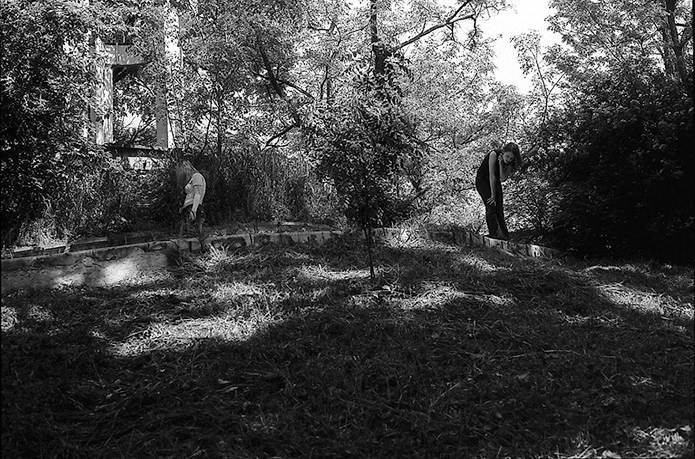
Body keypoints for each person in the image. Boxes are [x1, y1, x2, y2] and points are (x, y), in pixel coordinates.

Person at [475, 141, 521, 240]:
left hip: (495, 181)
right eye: (507, 156)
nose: (508, 159)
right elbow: (491, 176)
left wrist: (500, 164)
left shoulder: (510, 162)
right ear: (503, 152)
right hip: (483, 180)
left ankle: (505, 236)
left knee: (499, 207)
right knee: (491, 204)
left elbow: (503, 178)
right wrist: (493, 195)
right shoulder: (494, 154)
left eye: (511, 158)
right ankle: (494, 234)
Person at [176, 160, 207, 238]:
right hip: (188, 208)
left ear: (187, 167)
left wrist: (193, 210)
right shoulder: (191, 179)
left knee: (194, 236)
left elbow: (198, 194)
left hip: (193, 207)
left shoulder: (197, 176)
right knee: (188, 236)